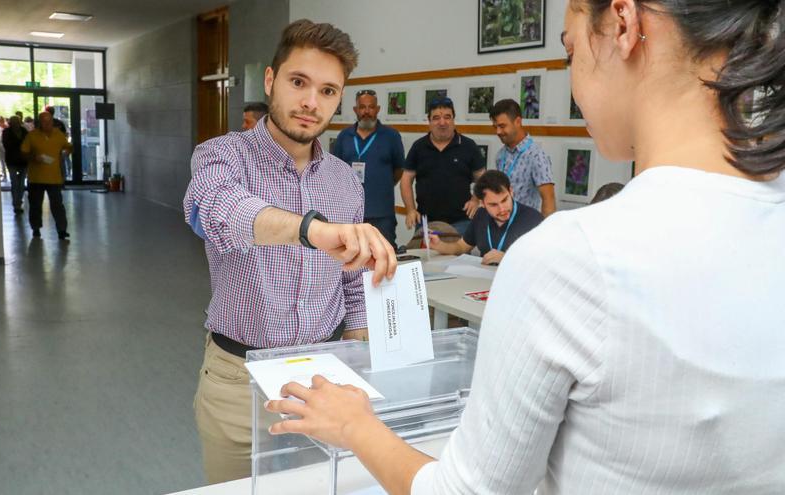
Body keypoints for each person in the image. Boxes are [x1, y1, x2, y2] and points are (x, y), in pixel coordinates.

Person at [264, 1, 785, 494]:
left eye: (570, 51)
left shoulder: (568, 257)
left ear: (622, 24)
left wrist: (355, 425)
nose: (574, 79)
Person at [182, 19, 396, 484]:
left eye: (327, 91)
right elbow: (217, 210)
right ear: (270, 80)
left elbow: (352, 287)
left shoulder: (343, 180)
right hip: (236, 378)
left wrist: (358, 364)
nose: (309, 102)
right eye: (299, 82)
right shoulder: (221, 155)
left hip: (322, 375)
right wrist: (310, 230)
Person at [401, 98, 486, 237]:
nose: (442, 123)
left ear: (453, 120)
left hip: (461, 223)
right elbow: (406, 179)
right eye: (436, 118)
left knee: (459, 259)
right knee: (426, 259)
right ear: (429, 121)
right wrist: (410, 210)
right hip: (426, 223)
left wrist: (476, 200)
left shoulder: (468, 146)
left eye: (447, 117)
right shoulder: (418, 147)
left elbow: (482, 177)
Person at [332, 89, 405, 247]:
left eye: (371, 107)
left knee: (384, 257)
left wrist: (383, 184)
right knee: (351, 258)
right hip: (350, 213)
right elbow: (336, 170)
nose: (366, 111)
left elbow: (399, 170)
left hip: (382, 215)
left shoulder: (391, 136)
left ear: (377, 109)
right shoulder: (344, 137)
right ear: (355, 110)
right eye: (362, 107)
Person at [428, 170, 543, 265]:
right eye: (493, 205)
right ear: (481, 203)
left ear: (511, 192)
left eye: (504, 200)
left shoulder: (533, 220)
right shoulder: (481, 215)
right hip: (484, 282)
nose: (502, 209)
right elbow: (461, 247)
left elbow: (546, 261)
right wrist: (440, 245)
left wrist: (508, 258)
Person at [490, 99, 557, 217]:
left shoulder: (536, 155)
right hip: (502, 223)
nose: (498, 132)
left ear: (518, 122)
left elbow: (549, 198)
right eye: (495, 127)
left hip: (525, 226)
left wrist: (546, 232)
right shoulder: (501, 155)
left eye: (502, 126)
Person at [21, 111, 73, 240]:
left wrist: (66, 153)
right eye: (44, 122)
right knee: (35, 205)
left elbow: (68, 146)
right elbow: (23, 153)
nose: (47, 124)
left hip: (54, 178)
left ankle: (62, 230)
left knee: (57, 205)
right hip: (36, 178)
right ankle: (36, 228)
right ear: (39, 122)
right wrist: (34, 157)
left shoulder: (58, 134)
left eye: (49, 121)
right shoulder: (32, 136)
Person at [1, 115, 28, 214]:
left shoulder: (24, 131)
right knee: (14, 183)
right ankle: (16, 204)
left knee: (21, 184)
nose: (16, 124)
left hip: (23, 161)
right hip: (12, 161)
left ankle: (18, 203)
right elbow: (6, 145)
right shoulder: (6, 132)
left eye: (17, 122)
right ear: (10, 123)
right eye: (14, 122)